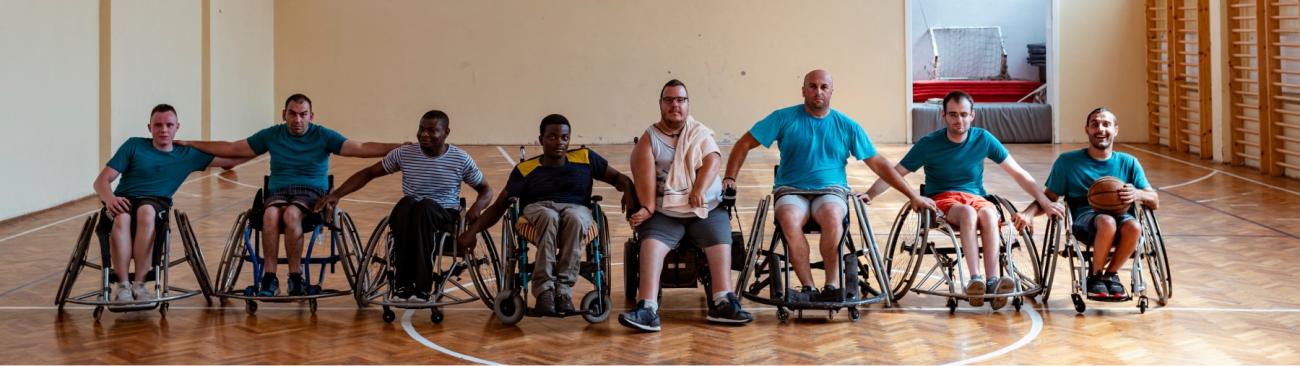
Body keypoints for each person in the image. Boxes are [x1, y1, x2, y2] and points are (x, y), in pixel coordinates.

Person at [723, 69, 935, 303]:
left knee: (834, 216)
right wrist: (730, 178)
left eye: (824, 87)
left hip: (831, 192)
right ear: (803, 90)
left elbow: (879, 164)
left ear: (832, 91)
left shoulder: (846, 125)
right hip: (792, 190)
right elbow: (743, 143)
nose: (818, 92)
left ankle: (832, 285)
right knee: (789, 219)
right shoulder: (782, 118)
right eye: (812, 86)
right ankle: (808, 287)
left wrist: (912, 194)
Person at [180, 93, 403, 297]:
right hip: (278, 192)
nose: (297, 120)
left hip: (311, 193)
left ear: (311, 116)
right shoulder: (272, 134)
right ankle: (269, 278)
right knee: (270, 215)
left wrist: (400, 147)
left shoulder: (323, 135)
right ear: (284, 114)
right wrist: (191, 143)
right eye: (293, 114)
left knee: (291, 214)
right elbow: (232, 148)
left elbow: (361, 147)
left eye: (303, 115)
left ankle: (296, 278)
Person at [864, 91, 1062, 310]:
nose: (959, 120)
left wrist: (1044, 202)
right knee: (968, 213)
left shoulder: (983, 139)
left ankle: (993, 280)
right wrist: (870, 193)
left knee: (988, 213)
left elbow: (1018, 173)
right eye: (953, 114)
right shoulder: (929, 143)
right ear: (944, 116)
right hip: (943, 199)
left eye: (964, 114)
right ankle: (975, 278)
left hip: (976, 197)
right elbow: (896, 173)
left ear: (972, 116)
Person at [458, 114, 634, 315]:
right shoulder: (525, 169)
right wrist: (472, 231)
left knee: (574, 218)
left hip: (576, 210)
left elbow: (618, 178)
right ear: (541, 140)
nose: (559, 142)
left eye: (564, 137)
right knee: (550, 217)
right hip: (538, 210)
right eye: (552, 137)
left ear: (569, 139)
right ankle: (544, 292)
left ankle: (563, 292)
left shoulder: (585, 158)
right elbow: (499, 206)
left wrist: (628, 187)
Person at [313, 110, 493, 302]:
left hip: (444, 216)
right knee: (407, 204)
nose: (424, 134)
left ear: (446, 132)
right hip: (411, 214)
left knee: (424, 207)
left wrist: (477, 208)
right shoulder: (405, 154)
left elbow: (486, 190)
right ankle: (403, 286)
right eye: (421, 129)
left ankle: (422, 288)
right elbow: (368, 173)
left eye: (432, 130)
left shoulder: (460, 159)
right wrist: (336, 194)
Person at [618, 79, 753, 332]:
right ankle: (647, 307)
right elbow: (643, 177)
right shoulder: (649, 140)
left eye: (680, 100)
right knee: (651, 245)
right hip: (666, 211)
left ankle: (723, 300)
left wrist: (698, 189)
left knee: (720, 240)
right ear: (660, 105)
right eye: (669, 100)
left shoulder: (698, 131)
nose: (675, 105)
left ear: (688, 104)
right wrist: (647, 208)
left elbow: (712, 160)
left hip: (705, 209)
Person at [92, 104, 246, 302]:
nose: (164, 130)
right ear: (149, 128)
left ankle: (140, 285)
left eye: (169, 125)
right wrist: (110, 199)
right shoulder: (134, 145)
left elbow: (230, 160)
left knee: (147, 212)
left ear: (177, 127)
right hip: (124, 198)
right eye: (158, 125)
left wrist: (261, 150)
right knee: (121, 218)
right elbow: (101, 182)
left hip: (156, 202)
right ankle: (122, 286)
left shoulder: (186, 154)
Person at [1018, 107, 1158, 299]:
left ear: (1115, 130)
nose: (1100, 129)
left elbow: (1154, 200)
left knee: (1134, 226)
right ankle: (1095, 276)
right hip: (1085, 220)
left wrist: (1138, 194)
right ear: (1087, 130)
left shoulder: (1129, 162)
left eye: (1106, 124)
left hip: (1123, 217)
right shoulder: (1067, 162)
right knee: (1107, 221)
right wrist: (1028, 213)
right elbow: (1049, 197)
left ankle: (1110, 275)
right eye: (1095, 124)